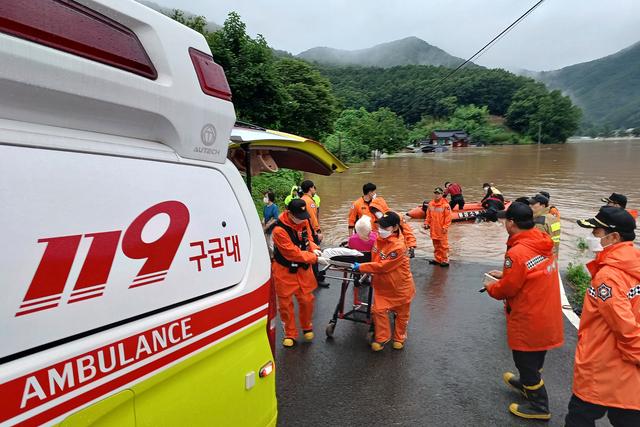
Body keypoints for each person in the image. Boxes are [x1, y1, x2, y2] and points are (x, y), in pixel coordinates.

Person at [485, 202, 564, 420]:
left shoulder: (517, 252)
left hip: (529, 313)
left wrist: (492, 287)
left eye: (505, 220)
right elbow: (531, 270)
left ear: (511, 223)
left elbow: (508, 289)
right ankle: (527, 384)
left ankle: (539, 406)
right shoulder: (541, 241)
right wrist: (507, 274)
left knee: (525, 359)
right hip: (546, 310)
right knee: (536, 355)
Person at [566, 206, 640, 426]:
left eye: (596, 232)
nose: (591, 237)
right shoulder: (633, 264)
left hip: (602, 367)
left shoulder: (608, 276)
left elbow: (625, 329)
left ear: (614, 236)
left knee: (578, 418)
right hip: (627, 373)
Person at [353, 211, 416, 352]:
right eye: (380, 227)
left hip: (400, 287)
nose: (381, 230)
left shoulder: (398, 247)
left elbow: (383, 266)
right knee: (378, 310)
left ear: (394, 227)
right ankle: (382, 338)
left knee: (402, 315)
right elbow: (375, 258)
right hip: (383, 286)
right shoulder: (378, 240)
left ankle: (399, 338)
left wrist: (362, 267)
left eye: (385, 228)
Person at [271, 199, 328, 347]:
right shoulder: (279, 231)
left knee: (307, 300)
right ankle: (290, 333)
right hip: (284, 270)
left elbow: (308, 238)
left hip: (303, 269)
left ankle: (306, 325)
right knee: (285, 304)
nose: (302, 219)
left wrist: (314, 248)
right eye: (299, 216)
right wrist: (314, 258)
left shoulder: (303, 221)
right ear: (289, 213)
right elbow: (292, 253)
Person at [423, 187, 452, 267]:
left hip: (441, 229)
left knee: (443, 245)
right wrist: (426, 223)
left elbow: (448, 217)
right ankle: (438, 259)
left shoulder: (445, 205)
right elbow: (428, 216)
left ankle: (445, 260)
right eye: (436, 193)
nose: (437, 195)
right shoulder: (431, 204)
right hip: (433, 228)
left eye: (438, 193)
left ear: (442, 194)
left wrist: (445, 227)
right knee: (436, 245)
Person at [262, 190, 279, 257]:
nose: (264, 198)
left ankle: (274, 257)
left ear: (270, 198)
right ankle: (269, 257)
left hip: (272, 228)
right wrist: (263, 221)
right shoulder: (265, 207)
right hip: (265, 227)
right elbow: (264, 216)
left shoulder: (274, 207)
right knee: (266, 243)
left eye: (266, 197)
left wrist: (269, 225)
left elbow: (275, 218)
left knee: (270, 243)